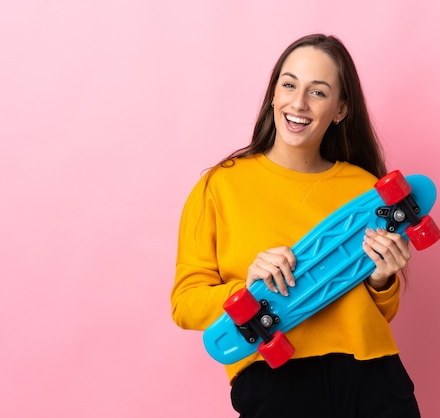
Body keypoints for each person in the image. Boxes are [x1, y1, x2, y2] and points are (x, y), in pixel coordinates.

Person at [171, 34, 421, 418]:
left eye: (318, 92)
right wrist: (249, 291)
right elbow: (185, 303)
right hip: (277, 378)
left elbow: (377, 312)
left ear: (340, 110)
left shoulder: (363, 187)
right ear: (273, 93)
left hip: (374, 374)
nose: (299, 103)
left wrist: (382, 280)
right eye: (289, 84)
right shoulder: (220, 186)